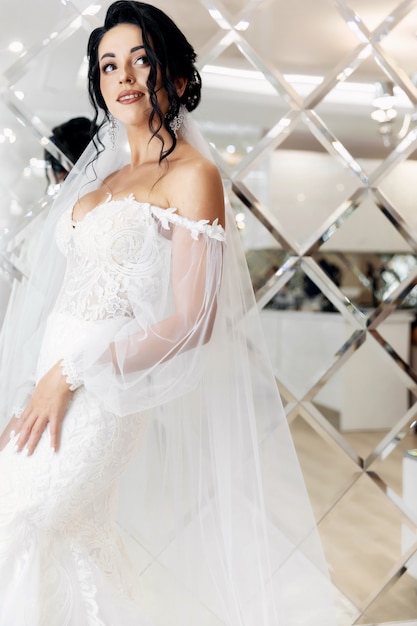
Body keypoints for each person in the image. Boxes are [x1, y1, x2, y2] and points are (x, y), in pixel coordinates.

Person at [0, 2, 336, 624]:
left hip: (100, 390)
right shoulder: (101, 179)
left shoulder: (194, 174)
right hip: (49, 386)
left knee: (30, 521)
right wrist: (37, 383)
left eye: (142, 59)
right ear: (100, 84)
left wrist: (70, 371)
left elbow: (192, 319)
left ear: (177, 77)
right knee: (56, 536)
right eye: (108, 65)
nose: (124, 75)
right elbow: (71, 295)